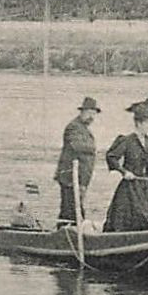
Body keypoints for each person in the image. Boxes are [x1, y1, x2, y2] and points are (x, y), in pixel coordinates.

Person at [104, 99, 148, 232]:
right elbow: (111, 157)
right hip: (130, 188)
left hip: (147, 188)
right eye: (147, 123)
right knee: (132, 219)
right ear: (139, 123)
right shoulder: (127, 141)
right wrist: (124, 172)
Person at [54, 96, 99, 225]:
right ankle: (66, 237)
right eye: (89, 113)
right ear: (82, 112)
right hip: (69, 178)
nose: (91, 117)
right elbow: (76, 145)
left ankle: (67, 235)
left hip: (80, 179)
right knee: (71, 211)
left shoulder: (84, 129)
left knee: (73, 210)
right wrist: (93, 148)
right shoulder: (73, 127)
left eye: (93, 114)